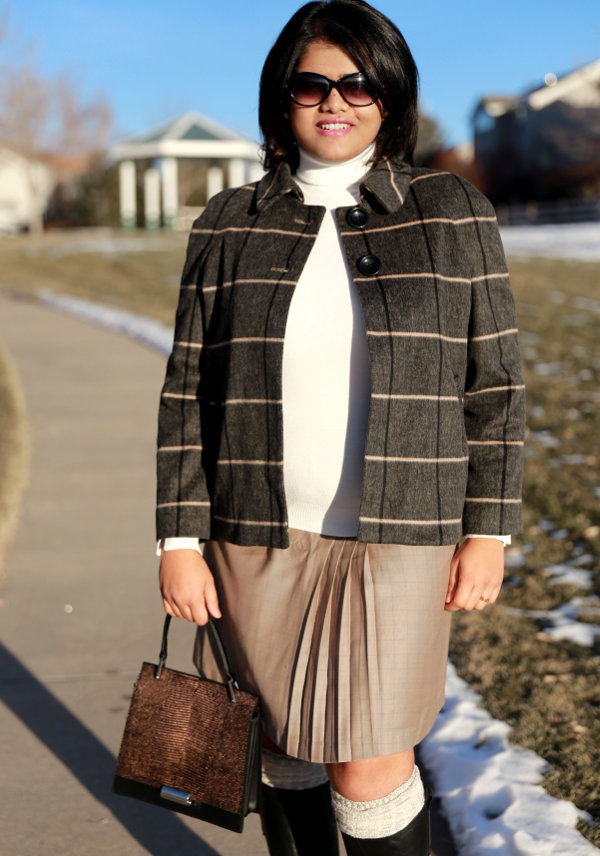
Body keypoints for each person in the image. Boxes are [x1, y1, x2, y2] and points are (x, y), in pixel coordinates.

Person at [156, 1, 525, 853]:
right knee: (282, 743)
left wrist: (489, 530)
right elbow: (186, 390)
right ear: (280, 96)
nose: (336, 99)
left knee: (369, 761)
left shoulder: (453, 210)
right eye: (312, 82)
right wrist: (178, 537)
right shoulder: (227, 222)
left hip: (404, 533)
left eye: (359, 82)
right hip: (258, 531)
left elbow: (495, 385)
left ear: (390, 96)